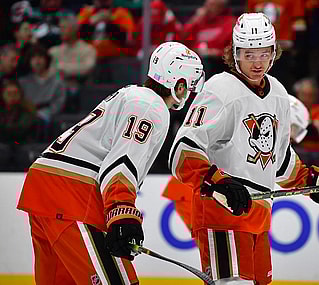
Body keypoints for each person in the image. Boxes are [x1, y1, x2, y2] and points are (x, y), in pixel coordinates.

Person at [168, 13, 319, 284]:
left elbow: (278, 162)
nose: (257, 62)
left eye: (264, 53)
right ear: (235, 53)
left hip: (259, 217)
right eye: (249, 54)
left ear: (274, 52)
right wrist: (220, 183)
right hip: (222, 214)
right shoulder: (220, 89)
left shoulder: (277, 92)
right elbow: (183, 151)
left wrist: (314, 181)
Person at [16, 41, 204, 285]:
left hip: (45, 187)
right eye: (189, 85)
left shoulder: (132, 94)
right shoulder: (151, 106)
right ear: (179, 85)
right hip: (72, 193)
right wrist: (121, 213)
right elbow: (122, 162)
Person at [162, 94, 310, 232]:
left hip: (199, 189)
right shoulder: (252, 131)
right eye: (294, 129)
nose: (293, 138)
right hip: (197, 190)